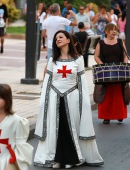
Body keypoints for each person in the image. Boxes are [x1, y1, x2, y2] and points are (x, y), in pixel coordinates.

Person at [34, 30, 104, 168]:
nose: (57, 39)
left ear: (68, 40)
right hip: (54, 98)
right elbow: (47, 82)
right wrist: (44, 101)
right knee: (56, 129)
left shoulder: (78, 59)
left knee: (70, 128)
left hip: (72, 98)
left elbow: (82, 83)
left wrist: (83, 102)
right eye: (55, 38)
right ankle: (56, 158)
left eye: (60, 37)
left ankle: (70, 159)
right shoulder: (52, 60)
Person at [0, 84, 33, 170]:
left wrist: (14, 162)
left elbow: (21, 145)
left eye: (0, 98)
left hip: (8, 162)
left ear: (7, 100)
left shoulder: (16, 121)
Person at [94, 23, 128, 124]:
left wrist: (124, 66)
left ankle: (119, 115)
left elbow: (125, 55)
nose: (114, 32)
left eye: (115, 30)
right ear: (106, 31)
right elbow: (96, 56)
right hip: (106, 73)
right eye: (112, 30)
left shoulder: (120, 41)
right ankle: (106, 116)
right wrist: (103, 66)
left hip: (119, 72)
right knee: (106, 95)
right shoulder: (101, 43)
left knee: (119, 94)